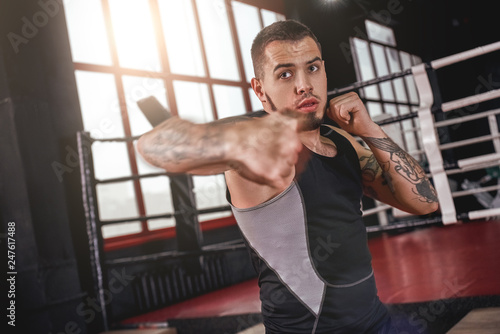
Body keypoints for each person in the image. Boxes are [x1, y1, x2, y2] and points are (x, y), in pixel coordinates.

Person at [137, 20, 438, 334]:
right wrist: (237, 146)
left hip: (376, 321)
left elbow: (425, 203)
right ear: (260, 90)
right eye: (285, 74)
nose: (304, 85)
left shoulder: (342, 142)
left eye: (313, 68)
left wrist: (370, 130)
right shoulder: (253, 138)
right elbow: (161, 144)